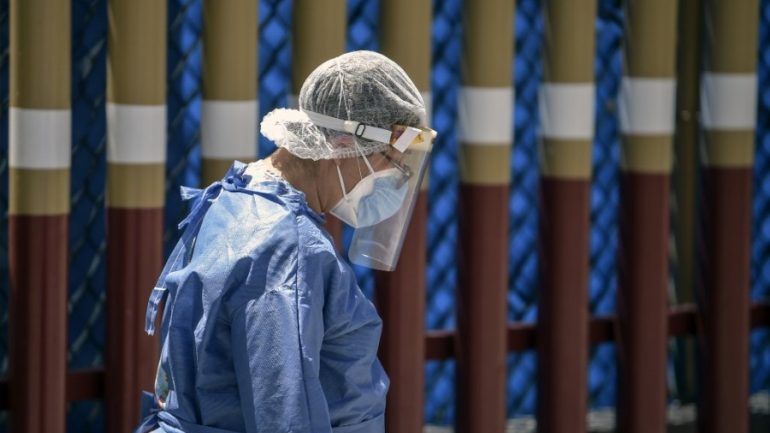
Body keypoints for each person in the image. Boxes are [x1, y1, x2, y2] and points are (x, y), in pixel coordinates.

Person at [135, 50, 436, 433]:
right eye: (390, 161)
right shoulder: (288, 248)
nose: (395, 178)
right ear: (344, 143)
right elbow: (284, 411)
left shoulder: (235, 196)